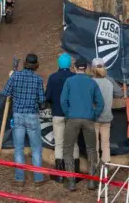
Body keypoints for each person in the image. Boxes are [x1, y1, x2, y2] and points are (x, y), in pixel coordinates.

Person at [1, 53, 46, 186]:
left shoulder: (15, 76)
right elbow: (42, 102)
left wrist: (11, 78)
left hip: (18, 115)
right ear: (36, 65)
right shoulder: (38, 79)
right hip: (32, 115)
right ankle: (38, 178)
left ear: (25, 63)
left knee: (19, 148)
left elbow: (5, 92)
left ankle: (19, 178)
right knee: (36, 148)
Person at [61, 57, 104, 191]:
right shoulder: (92, 82)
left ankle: (71, 181)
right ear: (86, 68)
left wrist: (68, 113)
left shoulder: (69, 81)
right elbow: (100, 103)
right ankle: (91, 182)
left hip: (72, 119)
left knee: (67, 149)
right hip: (88, 119)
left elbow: (63, 100)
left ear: (74, 67)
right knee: (91, 149)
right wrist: (93, 114)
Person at [45, 53, 77, 182]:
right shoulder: (75, 77)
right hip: (72, 115)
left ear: (59, 64)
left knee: (59, 143)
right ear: (70, 64)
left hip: (57, 113)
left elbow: (47, 96)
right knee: (73, 143)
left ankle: (59, 174)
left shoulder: (53, 77)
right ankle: (74, 173)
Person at [91, 57, 123, 169]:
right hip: (107, 117)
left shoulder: (91, 81)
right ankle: (105, 165)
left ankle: (94, 166)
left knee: (94, 143)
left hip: (93, 117)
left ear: (93, 68)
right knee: (105, 143)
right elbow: (119, 93)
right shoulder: (110, 80)